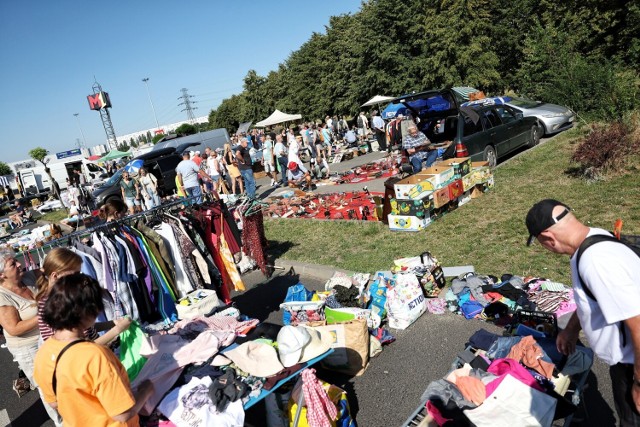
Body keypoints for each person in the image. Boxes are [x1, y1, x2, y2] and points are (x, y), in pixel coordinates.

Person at [525, 199, 640, 425]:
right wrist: (570, 330)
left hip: (632, 364)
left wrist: (639, 382)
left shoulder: (595, 262)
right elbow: (591, 299)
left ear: (548, 238)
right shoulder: (594, 238)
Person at [34, 273, 154, 427]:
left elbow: (54, 403)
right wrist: (145, 391)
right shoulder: (95, 356)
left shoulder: (43, 354)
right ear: (90, 311)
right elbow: (123, 414)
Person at [0, 249, 58, 422]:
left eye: (16, 261)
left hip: (48, 337)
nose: (20, 264)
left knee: (63, 379)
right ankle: (62, 422)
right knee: (49, 388)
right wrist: (44, 313)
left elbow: (52, 269)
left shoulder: (28, 277)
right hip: (29, 348)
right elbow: (14, 328)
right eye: (13, 264)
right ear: (1, 275)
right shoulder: (2, 297)